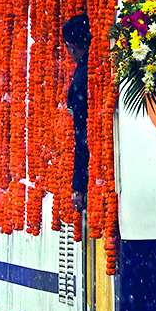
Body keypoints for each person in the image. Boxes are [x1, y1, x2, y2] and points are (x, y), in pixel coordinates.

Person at [62, 15, 91, 214]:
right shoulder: (95, 66)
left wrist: (79, 185)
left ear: (71, 47)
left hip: (92, 160)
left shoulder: (82, 78)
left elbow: (82, 134)